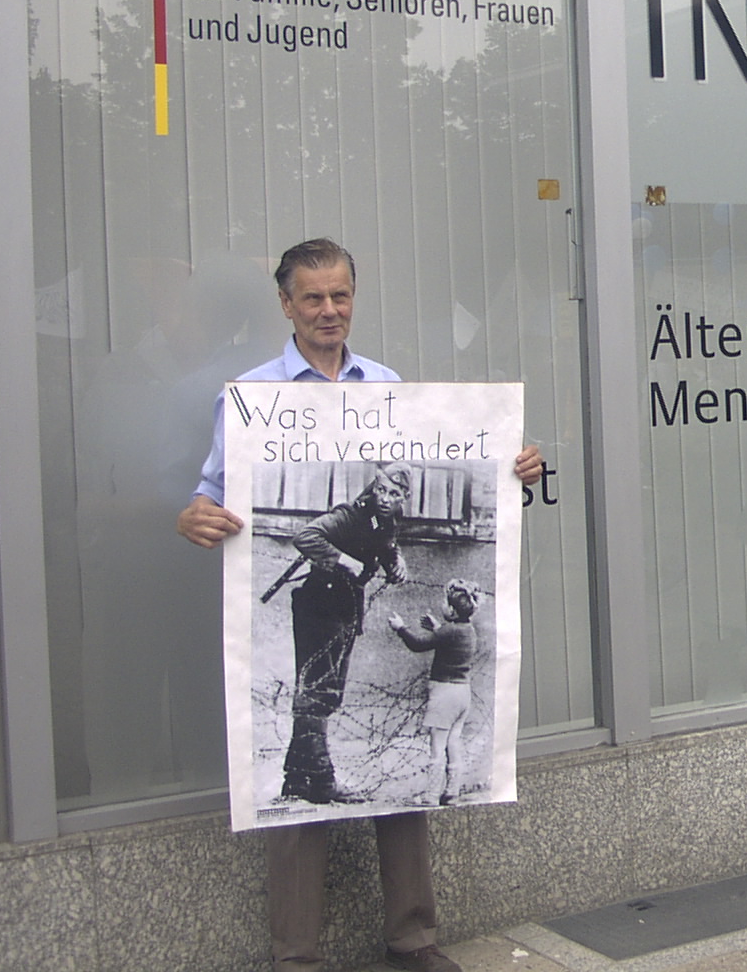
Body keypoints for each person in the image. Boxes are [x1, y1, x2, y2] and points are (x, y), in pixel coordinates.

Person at [177, 237, 544, 972]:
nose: (329, 310)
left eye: (340, 295)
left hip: (350, 606)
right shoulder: (253, 398)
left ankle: (414, 938)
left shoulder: (388, 386)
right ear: (286, 305)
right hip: (318, 602)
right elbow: (212, 493)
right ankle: (296, 955)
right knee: (307, 721)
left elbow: (418, 496)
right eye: (312, 297)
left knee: (396, 784)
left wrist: (517, 468)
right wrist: (193, 514)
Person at [281, 461, 414, 804]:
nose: (385, 498)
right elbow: (305, 536)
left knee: (322, 694)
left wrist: (396, 562)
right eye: (381, 489)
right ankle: (323, 782)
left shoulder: (384, 519)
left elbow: (385, 542)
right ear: (374, 486)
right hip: (320, 609)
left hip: (344, 611)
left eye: (394, 494)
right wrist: (342, 559)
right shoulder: (350, 514)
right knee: (318, 694)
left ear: (404, 497)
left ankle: (295, 781)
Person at [389, 579, 482, 806]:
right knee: (453, 742)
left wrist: (401, 628)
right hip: (463, 693)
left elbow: (417, 644)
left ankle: (430, 795)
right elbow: (449, 639)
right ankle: (452, 791)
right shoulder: (467, 630)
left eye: (444, 603)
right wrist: (437, 628)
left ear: (451, 609)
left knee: (437, 746)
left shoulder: (448, 631)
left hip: (444, 694)